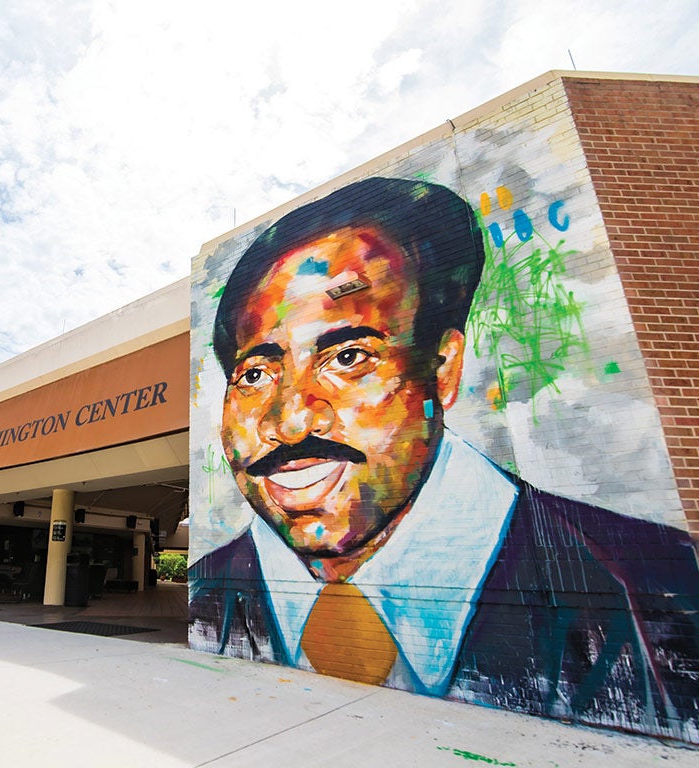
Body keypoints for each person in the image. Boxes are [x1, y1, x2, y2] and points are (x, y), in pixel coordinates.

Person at [190, 176, 699, 741]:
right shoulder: (208, 589)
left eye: (350, 356)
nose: (288, 420)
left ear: (444, 368)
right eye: (256, 374)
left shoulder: (663, 589)